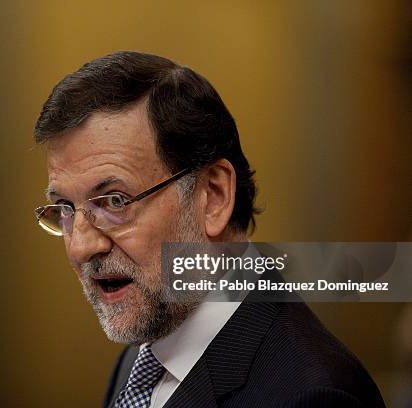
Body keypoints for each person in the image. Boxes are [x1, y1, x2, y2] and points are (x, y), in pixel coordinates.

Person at [32, 51, 385, 407]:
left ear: (213, 196)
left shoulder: (313, 396)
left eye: (114, 202)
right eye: (64, 208)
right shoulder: (144, 356)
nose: (80, 247)